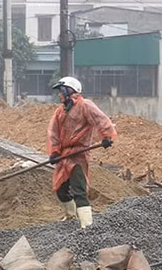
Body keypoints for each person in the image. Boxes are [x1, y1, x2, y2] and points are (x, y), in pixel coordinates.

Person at [47, 76, 116, 229]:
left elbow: (101, 120)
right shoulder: (60, 112)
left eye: (61, 91)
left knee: (78, 190)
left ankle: (87, 226)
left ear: (69, 90)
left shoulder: (85, 106)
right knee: (61, 190)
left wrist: (107, 136)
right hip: (65, 156)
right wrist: (54, 152)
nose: (59, 95)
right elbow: (54, 133)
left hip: (78, 155)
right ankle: (71, 217)